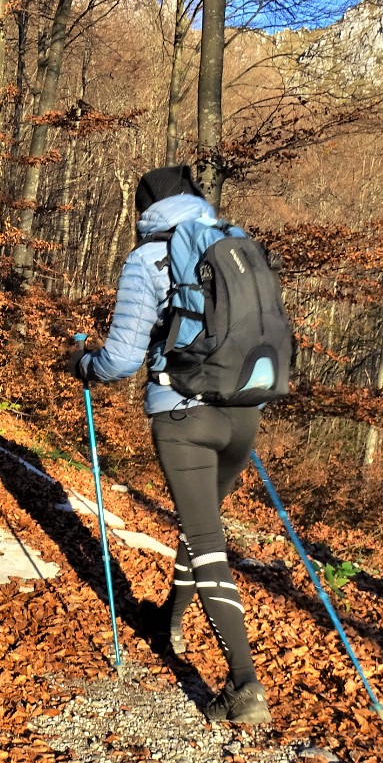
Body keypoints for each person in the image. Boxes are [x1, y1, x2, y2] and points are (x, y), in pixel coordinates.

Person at [66, 164, 270, 725]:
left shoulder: (149, 256)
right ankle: (171, 625)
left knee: (206, 538)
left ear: (145, 208)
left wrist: (83, 363)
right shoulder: (232, 244)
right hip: (243, 411)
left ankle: (244, 685)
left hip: (184, 414)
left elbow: (123, 359)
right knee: (198, 525)